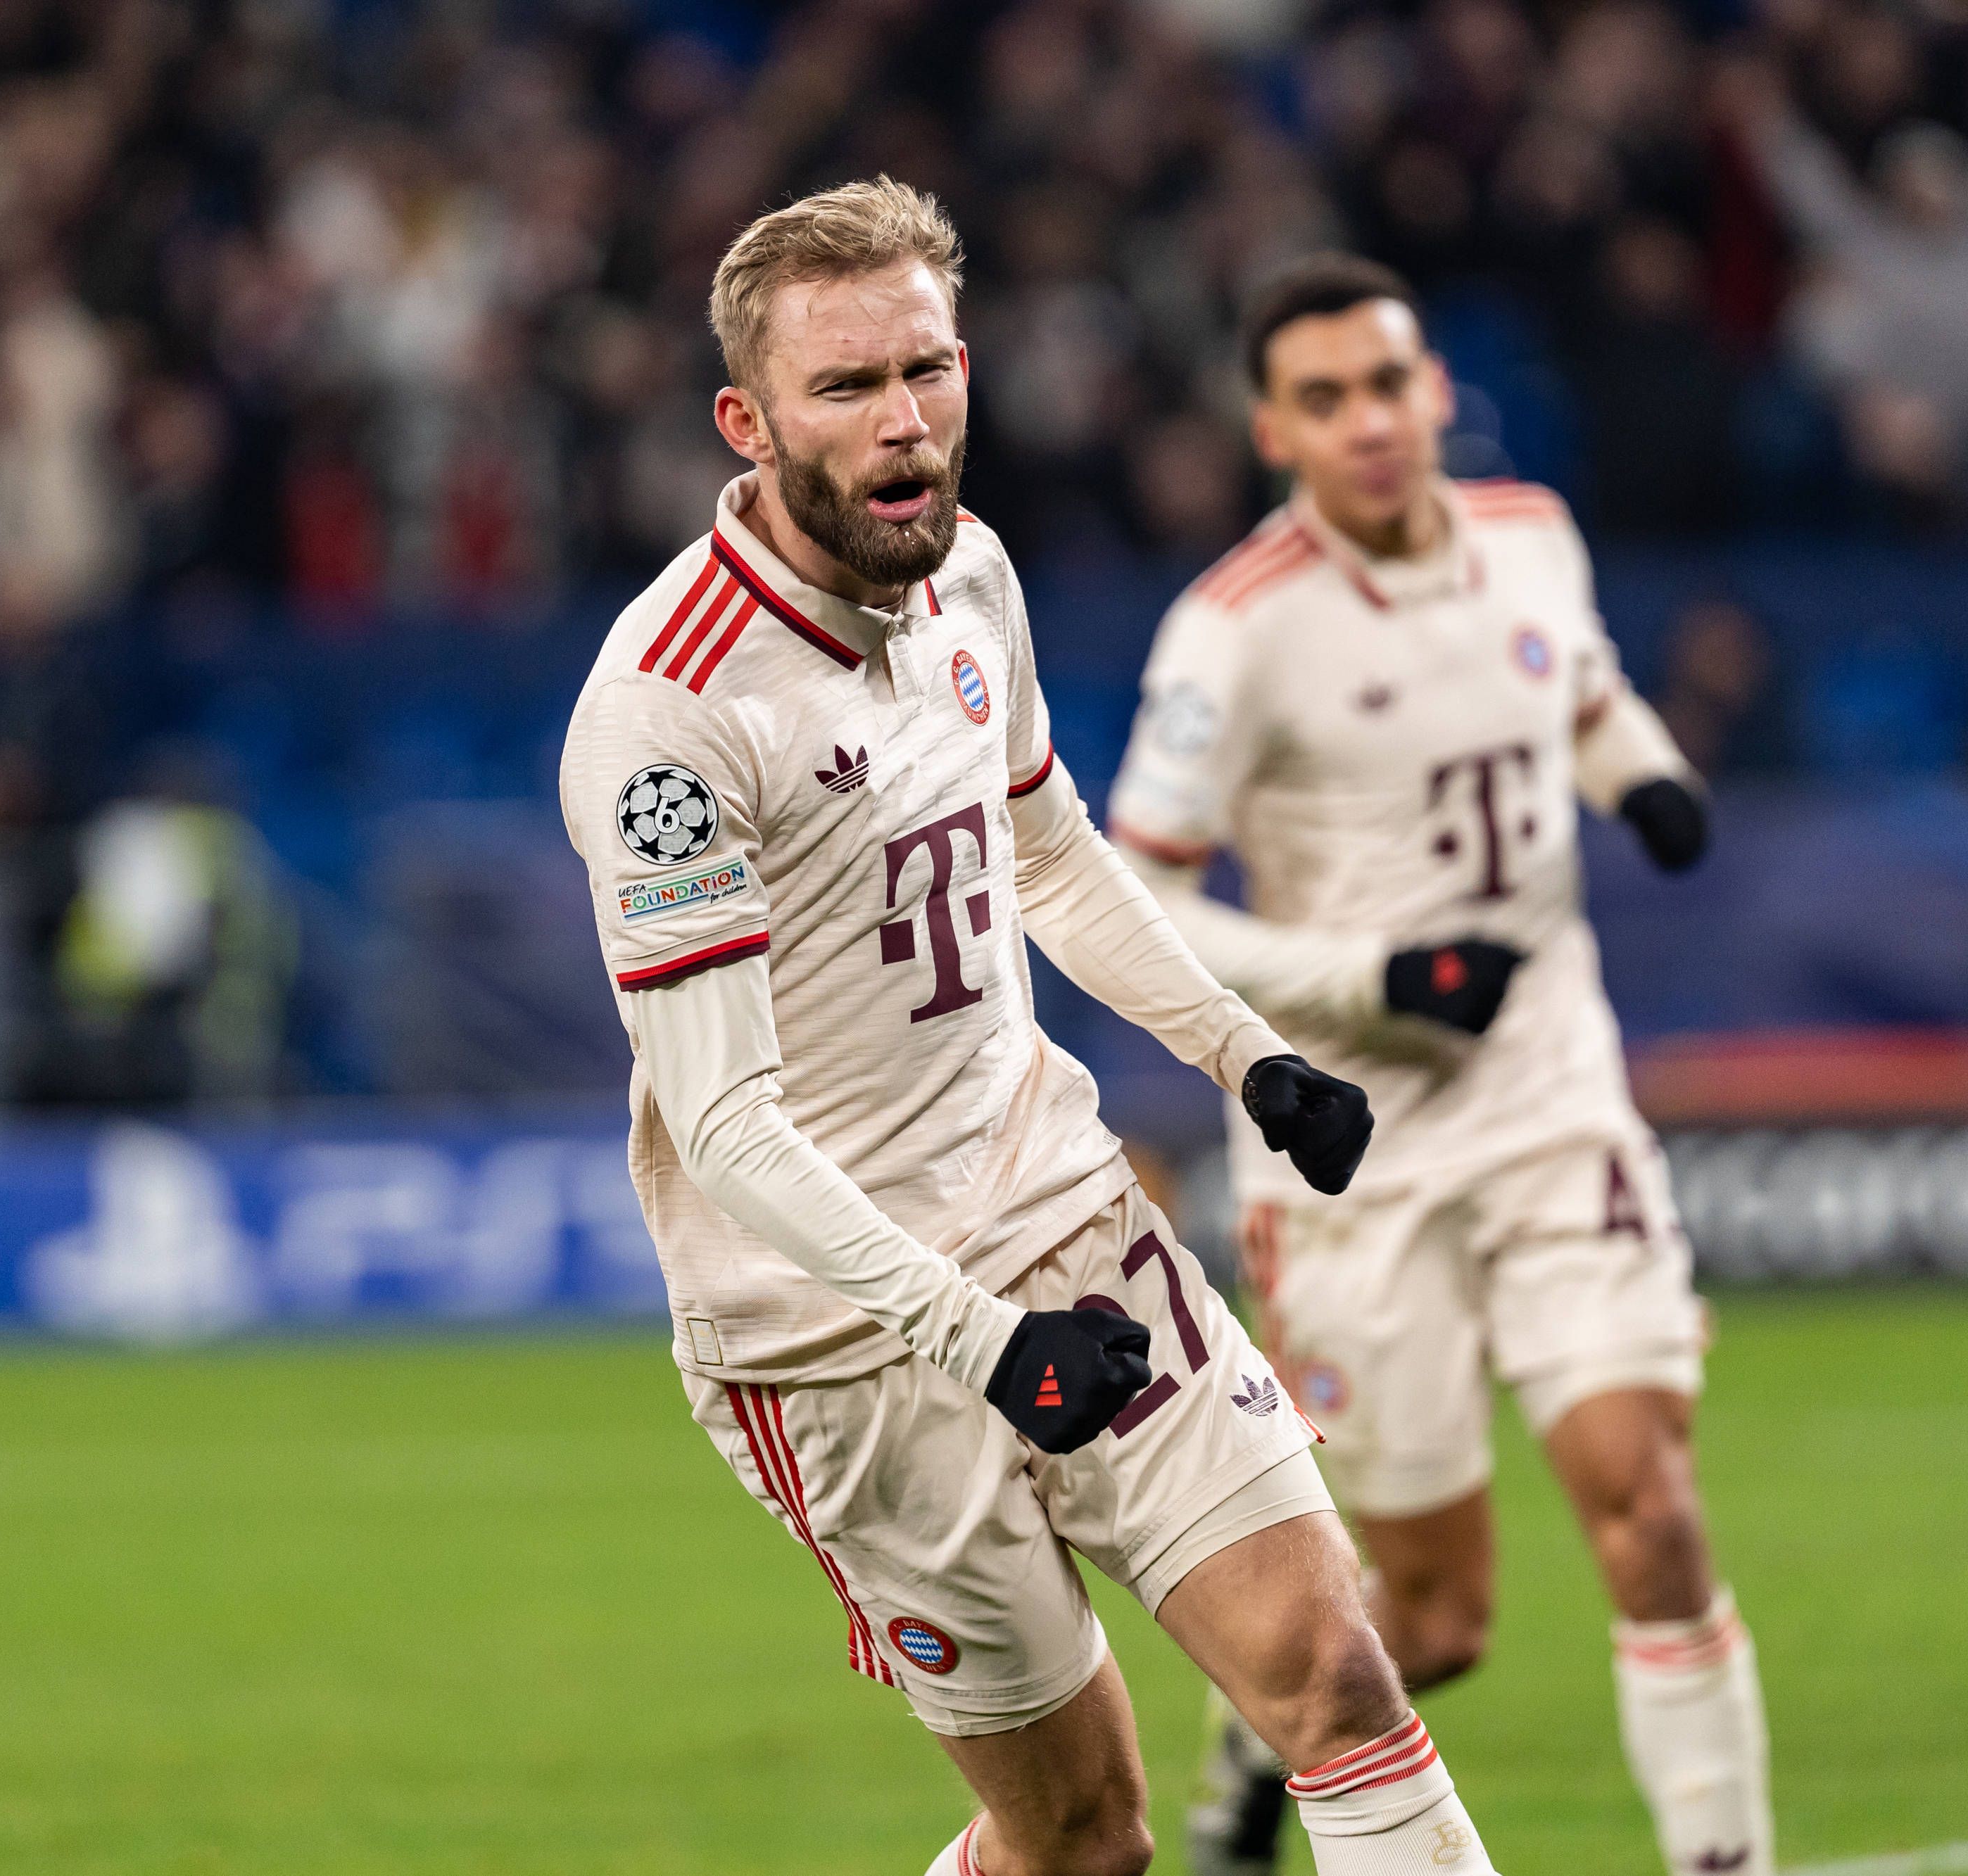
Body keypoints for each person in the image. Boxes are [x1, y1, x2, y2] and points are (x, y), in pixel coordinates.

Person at [557, 182, 1510, 1876]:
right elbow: (726, 1130)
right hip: (835, 1342)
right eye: (845, 388)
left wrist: (1245, 1054)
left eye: (925, 369)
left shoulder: (965, 579)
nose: (903, 419)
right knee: (1083, 1840)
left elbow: (1046, 844)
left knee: (1333, 1675)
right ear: (747, 421)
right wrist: (983, 1344)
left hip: (1062, 1215)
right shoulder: (666, 717)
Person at [1105, 253, 1772, 1876]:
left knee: (1648, 1500)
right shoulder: (1232, 636)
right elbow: (1130, 894)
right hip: (1354, 1149)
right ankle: (1252, 1767)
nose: (1368, 423)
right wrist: (1369, 977)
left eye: (1388, 384)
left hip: (1550, 1094)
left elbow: (1587, 693)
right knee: (1435, 1616)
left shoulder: (1532, 537)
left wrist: (1648, 776)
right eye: (1323, 399)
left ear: (1433, 394)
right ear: (1274, 429)